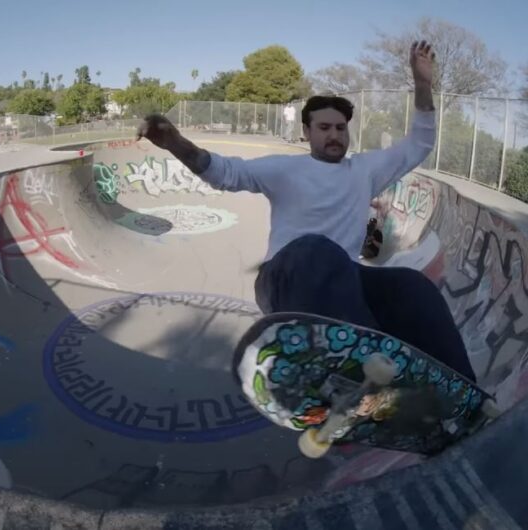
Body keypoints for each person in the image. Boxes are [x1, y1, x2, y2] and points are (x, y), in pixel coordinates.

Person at [136, 41, 475, 382]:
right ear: (306, 132)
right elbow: (224, 172)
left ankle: (460, 391)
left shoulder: (364, 170)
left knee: (411, 285)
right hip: (285, 281)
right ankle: (364, 373)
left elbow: (420, 143)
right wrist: (175, 143)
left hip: (343, 284)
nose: (334, 136)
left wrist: (422, 85)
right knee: (317, 248)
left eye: (340, 128)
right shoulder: (284, 169)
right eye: (324, 128)